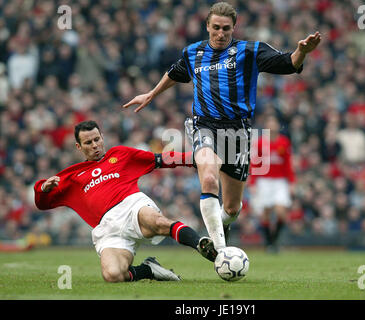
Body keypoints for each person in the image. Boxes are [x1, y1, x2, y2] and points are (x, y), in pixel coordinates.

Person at [122, 2, 321, 250]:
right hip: (204, 126)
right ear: (207, 26)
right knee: (208, 178)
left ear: (234, 28)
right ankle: (219, 251)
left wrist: (302, 51)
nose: (220, 33)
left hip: (237, 133)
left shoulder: (250, 51)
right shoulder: (193, 53)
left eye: (226, 28)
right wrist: (151, 94)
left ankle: (221, 227)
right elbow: (175, 73)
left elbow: (287, 63)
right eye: (215, 27)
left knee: (232, 208)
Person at [34, 120, 218, 283]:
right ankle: (148, 270)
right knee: (113, 275)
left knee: (157, 222)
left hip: (131, 205)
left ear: (102, 137)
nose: (95, 145)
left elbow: (161, 159)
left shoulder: (120, 154)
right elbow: (42, 203)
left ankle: (201, 245)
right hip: (108, 228)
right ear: (79, 147)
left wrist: (196, 158)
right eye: (88, 143)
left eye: (97, 139)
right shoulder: (73, 176)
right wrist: (42, 188)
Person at [249, 115, 295, 252]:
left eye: (273, 123)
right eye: (269, 123)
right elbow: (255, 164)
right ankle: (270, 243)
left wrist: (292, 182)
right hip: (264, 181)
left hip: (280, 181)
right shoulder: (259, 143)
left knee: (281, 212)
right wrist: (253, 183)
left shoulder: (284, 142)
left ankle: (274, 239)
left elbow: (288, 164)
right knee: (266, 212)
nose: (271, 126)